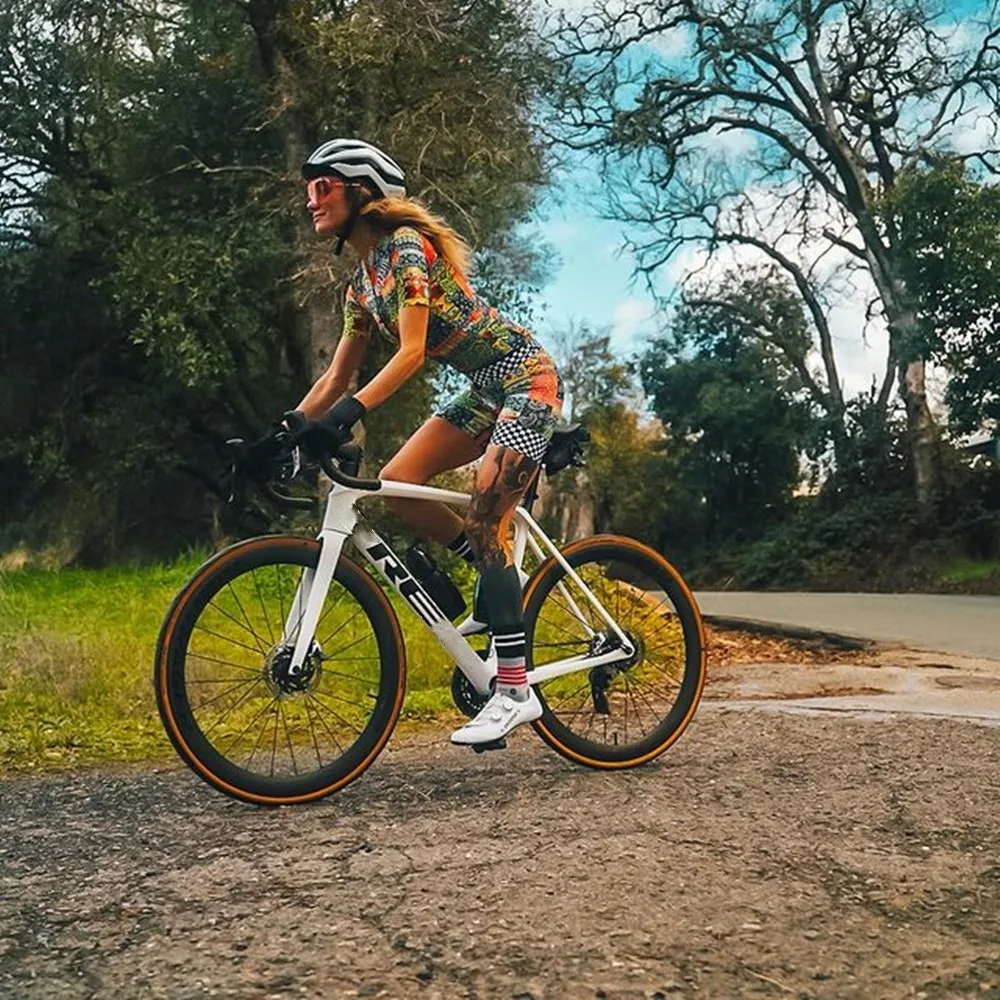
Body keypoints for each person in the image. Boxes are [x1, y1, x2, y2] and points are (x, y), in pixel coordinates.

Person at [267, 138, 563, 746]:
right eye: (309, 190)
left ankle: (515, 691)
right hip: (486, 390)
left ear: (361, 192)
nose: (311, 200)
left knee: (486, 520)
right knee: (400, 484)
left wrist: (348, 415)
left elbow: (409, 353)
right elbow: (336, 377)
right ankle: (493, 583)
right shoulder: (361, 285)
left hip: (527, 380)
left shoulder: (405, 248)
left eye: (323, 186)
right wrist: (282, 432)